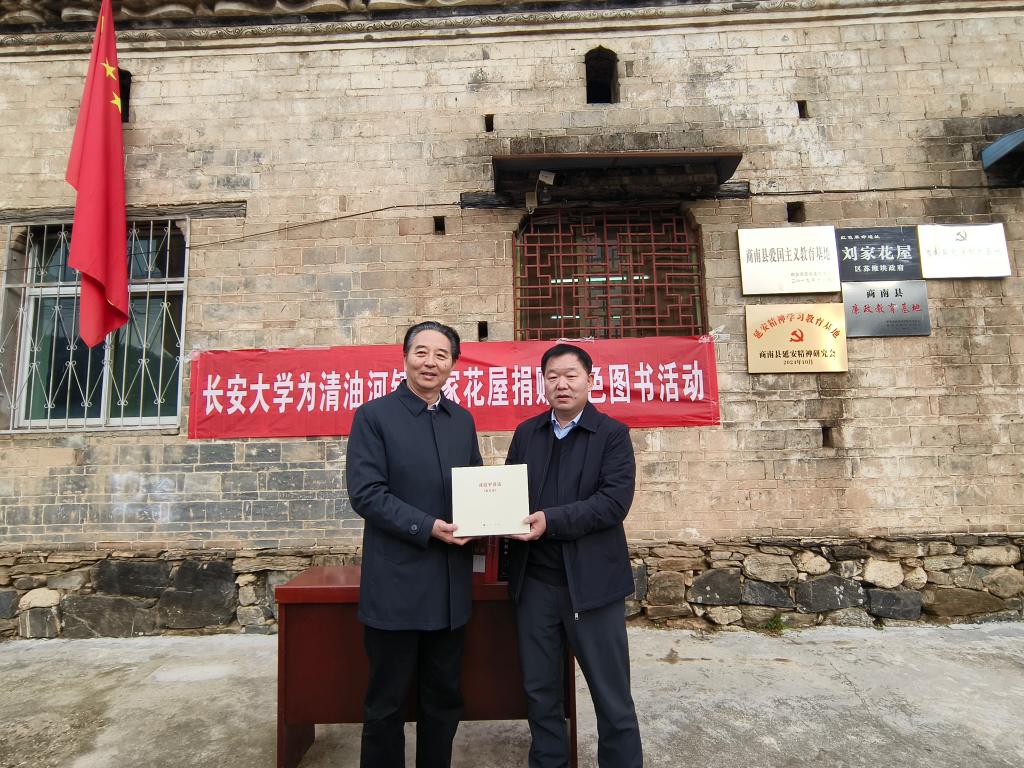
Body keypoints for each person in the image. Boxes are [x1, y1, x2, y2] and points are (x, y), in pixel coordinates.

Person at [346, 320, 482, 768]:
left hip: (449, 589)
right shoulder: (374, 417)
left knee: (443, 700)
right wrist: (427, 526)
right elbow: (366, 494)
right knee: (386, 704)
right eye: (421, 352)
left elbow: (476, 484)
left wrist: (488, 518)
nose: (431, 362)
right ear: (404, 357)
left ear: (453, 364)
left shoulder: (462, 421)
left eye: (441, 355)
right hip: (396, 588)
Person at [505, 343, 643, 768]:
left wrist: (551, 520)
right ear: (542, 382)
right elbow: (508, 495)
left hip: (592, 588)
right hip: (536, 586)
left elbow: (613, 504)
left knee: (611, 698)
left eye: (571, 375)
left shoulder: (612, 435)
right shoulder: (527, 433)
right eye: (552, 376)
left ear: (590, 380)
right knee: (541, 694)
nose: (561, 384)